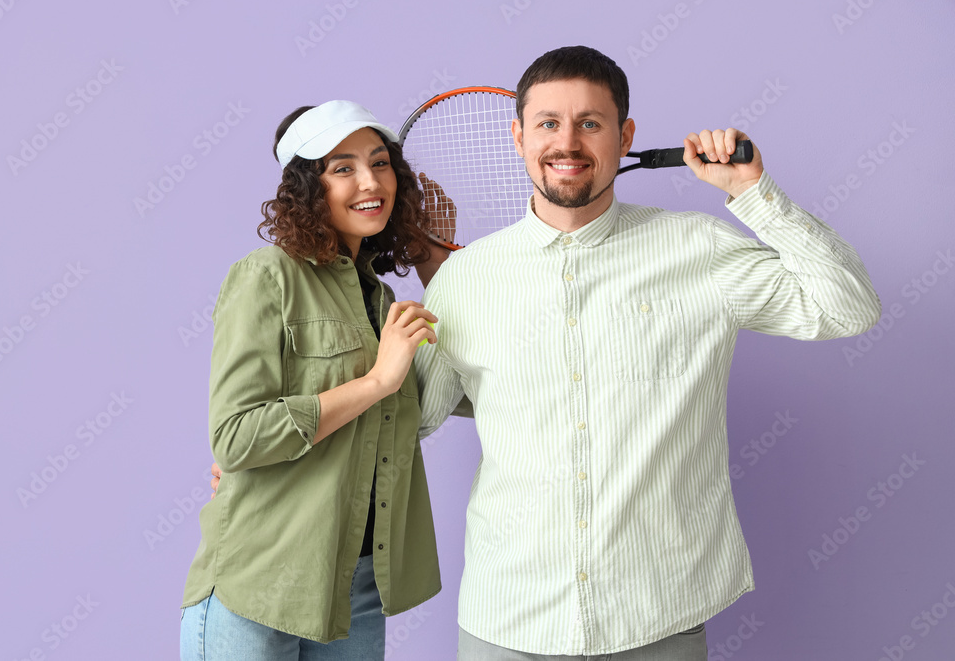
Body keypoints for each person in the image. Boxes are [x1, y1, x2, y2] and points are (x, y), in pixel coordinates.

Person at [411, 46, 882, 660]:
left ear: (625, 135)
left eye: (591, 123)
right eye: (549, 123)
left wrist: (752, 191)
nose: (568, 143)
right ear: (518, 134)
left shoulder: (699, 248)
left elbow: (848, 308)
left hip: (659, 617)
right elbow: (414, 415)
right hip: (507, 620)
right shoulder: (464, 278)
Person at [181, 100, 443, 660]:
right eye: (342, 168)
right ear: (307, 188)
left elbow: (436, 408)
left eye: (379, 162)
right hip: (259, 583)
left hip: (358, 588)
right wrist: (376, 381)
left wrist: (435, 265)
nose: (371, 182)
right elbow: (234, 438)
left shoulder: (384, 301)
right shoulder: (266, 276)